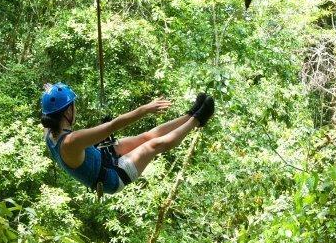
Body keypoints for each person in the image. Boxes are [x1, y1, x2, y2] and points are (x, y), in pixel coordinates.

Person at [40, 83, 215, 194]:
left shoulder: (49, 132)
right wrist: (144, 109)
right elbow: (112, 126)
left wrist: (49, 90)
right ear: (68, 112)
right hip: (111, 177)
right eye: (73, 106)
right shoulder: (71, 141)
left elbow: (49, 111)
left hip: (103, 157)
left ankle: (189, 115)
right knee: (152, 145)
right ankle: (198, 119)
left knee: (146, 136)